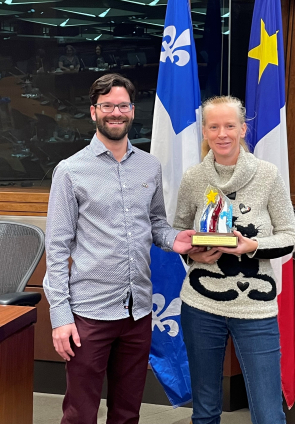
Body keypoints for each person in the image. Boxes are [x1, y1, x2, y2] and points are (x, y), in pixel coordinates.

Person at [43, 73, 195, 424]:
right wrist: (61, 318)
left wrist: (176, 240)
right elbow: (57, 248)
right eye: (107, 105)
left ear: (132, 110)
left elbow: (155, 223)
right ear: (93, 112)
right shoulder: (70, 171)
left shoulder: (149, 166)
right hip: (89, 314)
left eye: (123, 105)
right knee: (80, 413)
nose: (116, 112)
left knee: (127, 412)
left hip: (138, 312)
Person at [173, 95, 295, 424]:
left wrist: (251, 247)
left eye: (230, 126)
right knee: (204, 411)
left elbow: (290, 237)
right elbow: (178, 231)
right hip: (201, 307)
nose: (222, 134)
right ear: (204, 132)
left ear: (243, 129)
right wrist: (194, 250)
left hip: (255, 310)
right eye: (214, 126)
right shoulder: (193, 179)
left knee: (269, 413)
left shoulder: (267, 175)